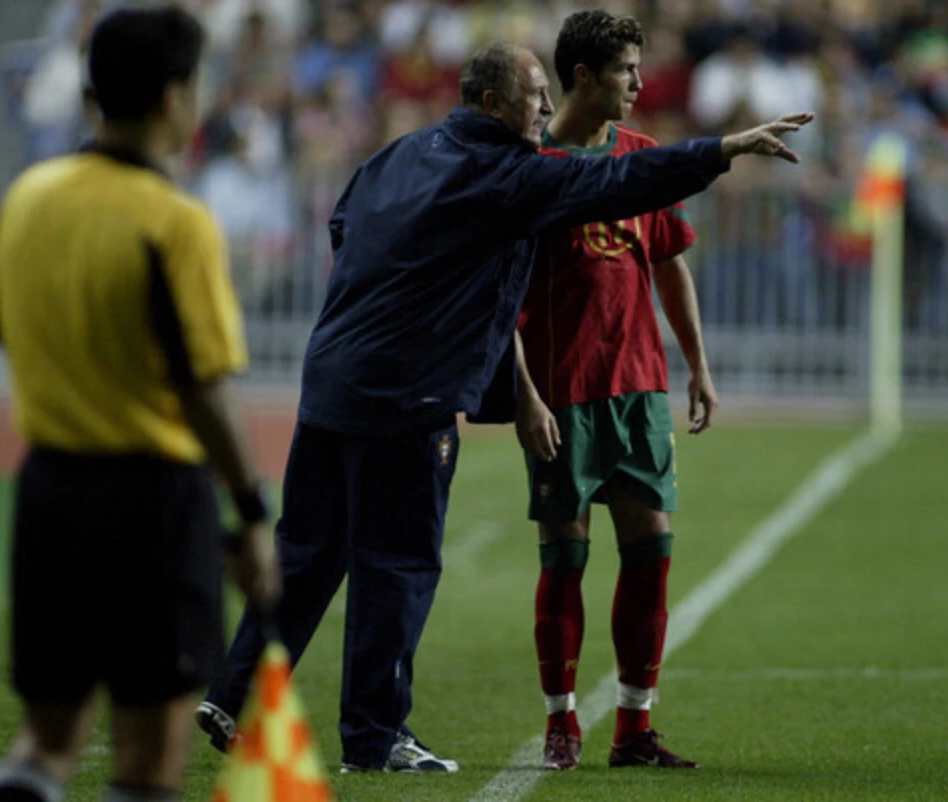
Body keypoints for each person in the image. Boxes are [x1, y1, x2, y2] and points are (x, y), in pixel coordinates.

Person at [195, 40, 812, 774]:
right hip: (406, 394)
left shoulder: (401, 152)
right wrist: (722, 149)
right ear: (493, 104)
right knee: (396, 564)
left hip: (331, 378)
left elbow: (342, 226)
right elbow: (622, 181)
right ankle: (374, 737)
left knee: (306, 554)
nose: (547, 106)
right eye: (533, 94)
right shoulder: (508, 175)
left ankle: (230, 696)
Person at [0, 8, 279, 802]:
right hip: (150, 501)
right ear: (176, 94)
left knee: (45, 741)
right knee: (148, 763)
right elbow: (204, 387)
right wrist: (251, 511)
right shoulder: (175, 220)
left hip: (47, 492)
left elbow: (6, 329)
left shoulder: (29, 197)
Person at [514, 10, 722, 771]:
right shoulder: (530, 166)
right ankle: (561, 721)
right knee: (563, 556)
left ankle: (633, 729)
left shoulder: (640, 158)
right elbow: (500, 298)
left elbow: (668, 261)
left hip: (638, 388)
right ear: (583, 77)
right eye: (627, 69)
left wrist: (697, 363)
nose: (640, 82)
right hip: (563, 390)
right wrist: (525, 392)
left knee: (652, 552)